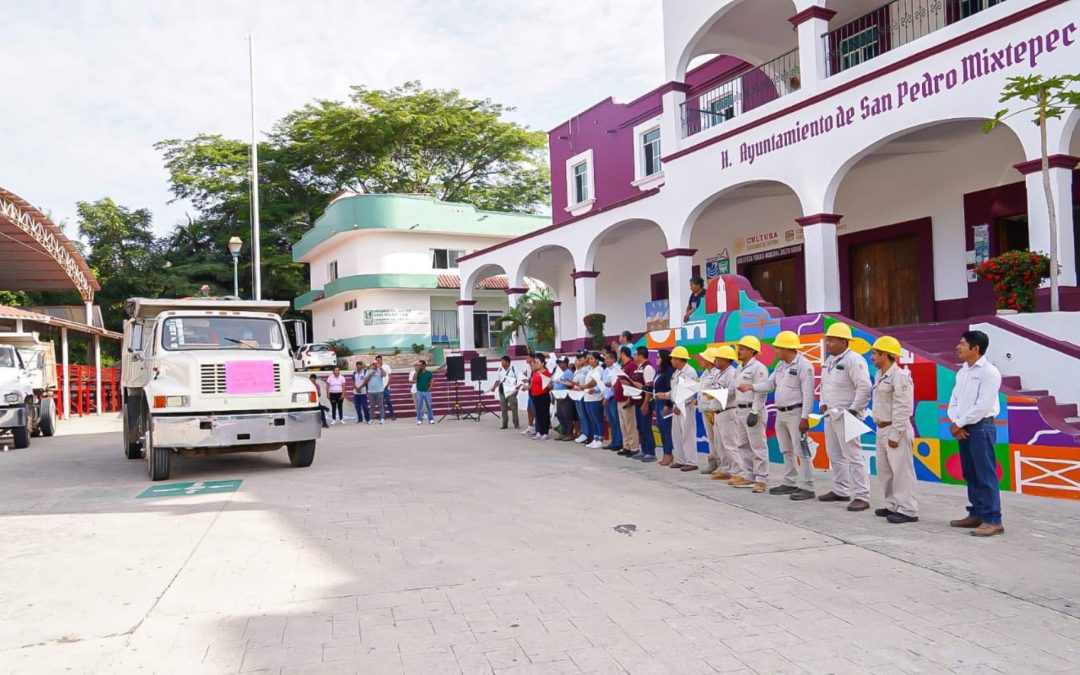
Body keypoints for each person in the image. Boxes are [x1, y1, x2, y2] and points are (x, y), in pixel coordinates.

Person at [739, 330, 816, 501]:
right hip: (782, 414)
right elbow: (770, 384)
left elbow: (808, 394)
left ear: (787, 349)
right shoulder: (781, 366)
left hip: (796, 413)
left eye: (778, 348)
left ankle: (807, 486)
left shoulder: (804, 365)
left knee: (801, 451)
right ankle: (790, 481)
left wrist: (805, 417)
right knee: (786, 449)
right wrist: (751, 387)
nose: (775, 351)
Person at [947, 330, 1004, 537]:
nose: (958, 347)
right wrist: (956, 422)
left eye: (962, 344)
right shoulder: (962, 371)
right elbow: (954, 400)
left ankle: (993, 519)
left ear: (975, 348)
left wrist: (959, 423)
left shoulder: (990, 372)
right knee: (970, 472)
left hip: (981, 427)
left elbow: (983, 406)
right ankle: (977, 513)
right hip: (964, 427)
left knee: (985, 473)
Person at [818, 322, 873, 510]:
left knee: (854, 455)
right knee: (834, 454)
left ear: (843, 341)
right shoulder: (829, 361)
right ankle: (840, 490)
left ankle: (862, 495)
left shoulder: (855, 360)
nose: (827, 344)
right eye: (827, 340)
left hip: (847, 414)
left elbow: (864, 387)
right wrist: (822, 403)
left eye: (831, 340)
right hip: (830, 414)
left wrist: (853, 409)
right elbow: (825, 385)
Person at [869, 336, 918, 524]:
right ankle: (892, 504)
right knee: (885, 470)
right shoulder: (879, 374)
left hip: (895, 428)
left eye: (875, 353)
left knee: (902, 470)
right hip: (881, 427)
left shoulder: (900, 376)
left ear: (886, 355)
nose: (872, 356)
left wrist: (896, 433)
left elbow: (904, 407)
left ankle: (908, 509)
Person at [729, 336, 769, 492]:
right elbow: (734, 388)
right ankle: (749, 475)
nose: (740, 351)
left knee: (758, 446)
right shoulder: (739, 368)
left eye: (744, 348)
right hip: (739, 409)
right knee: (742, 444)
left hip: (752, 410)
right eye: (739, 348)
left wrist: (755, 410)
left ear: (753, 351)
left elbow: (761, 391)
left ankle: (761, 479)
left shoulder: (759, 368)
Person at [709, 346, 742, 481]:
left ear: (725, 359)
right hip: (718, 412)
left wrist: (715, 394)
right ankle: (726, 468)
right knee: (720, 443)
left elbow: (733, 392)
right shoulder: (718, 373)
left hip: (728, 411)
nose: (715, 360)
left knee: (731, 443)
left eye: (718, 358)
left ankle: (739, 471)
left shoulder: (732, 373)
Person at [668, 346, 701, 473]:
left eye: (673, 358)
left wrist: (681, 404)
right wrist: (666, 395)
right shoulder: (676, 373)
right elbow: (675, 390)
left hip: (686, 407)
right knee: (676, 434)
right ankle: (681, 459)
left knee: (688, 434)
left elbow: (691, 392)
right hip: (676, 406)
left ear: (678, 360)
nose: (671, 361)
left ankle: (691, 461)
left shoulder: (690, 372)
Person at [613, 347, 644, 459]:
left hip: (627, 398)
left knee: (630, 424)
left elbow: (634, 382)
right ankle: (626, 446)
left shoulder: (631, 365)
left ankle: (634, 447)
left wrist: (631, 398)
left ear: (622, 353)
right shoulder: (623, 366)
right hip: (619, 398)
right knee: (623, 424)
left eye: (619, 354)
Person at [696, 348, 722, 474]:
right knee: (711, 437)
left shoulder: (717, 373)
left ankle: (723, 464)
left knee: (718, 438)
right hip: (705, 409)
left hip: (713, 409)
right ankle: (713, 461)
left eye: (704, 358)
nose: (701, 360)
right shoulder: (705, 373)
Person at [633, 346, 658, 462]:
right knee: (640, 427)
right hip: (637, 401)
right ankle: (644, 450)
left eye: (635, 354)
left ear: (640, 355)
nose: (634, 357)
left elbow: (649, 387)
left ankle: (651, 452)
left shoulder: (648, 368)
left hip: (644, 401)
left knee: (646, 427)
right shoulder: (639, 367)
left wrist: (645, 403)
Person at [651, 349, 676, 464]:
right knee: (661, 428)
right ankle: (666, 453)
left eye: (658, 357)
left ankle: (668, 453)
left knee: (666, 429)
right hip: (657, 402)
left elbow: (670, 390)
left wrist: (667, 404)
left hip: (665, 402)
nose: (656, 359)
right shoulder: (659, 372)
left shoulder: (669, 372)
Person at [582, 352, 606, 449]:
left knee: (597, 419)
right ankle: (595, 438)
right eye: (589, 359)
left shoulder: (599, 369)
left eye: (591, 359)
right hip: (588, 397)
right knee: (592, 419)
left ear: (596, 360)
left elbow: (594, 382)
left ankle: (601, 439)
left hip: (595, 398)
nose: (589, 360)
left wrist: (585, 386)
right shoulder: (590, 369)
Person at [489, 356, 521, 430]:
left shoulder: (514, 369)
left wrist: (517, 389)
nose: (501, 363)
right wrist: (494, 387)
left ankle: (516, 424)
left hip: (511, 391)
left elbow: (519, 379)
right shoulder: (500, 369)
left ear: (507, 362)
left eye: (503, 361)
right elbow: (498, 380)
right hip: (502, 390)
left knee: (514, 408)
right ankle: (504, 424)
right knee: (503, 408)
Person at [601, 350, 623, 452]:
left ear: (613, 359)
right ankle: (613, 441)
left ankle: (619, 442)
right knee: (611, 421)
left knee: (616, 420)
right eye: (605, 358)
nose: (606, 360)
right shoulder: (605, 370)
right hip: (606, 397)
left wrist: (607, 397)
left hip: (613, 398)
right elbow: (604, 385)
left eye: (608, 358)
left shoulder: (616, 369)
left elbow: (613, 386)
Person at [529, 353, 553, 440]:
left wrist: (547, 385)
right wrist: (525, 387)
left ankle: (545, 432)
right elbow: (532, 385)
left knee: (544, 414)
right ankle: (538, 431)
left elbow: (550, 386)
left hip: (543, 395)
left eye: (537, 362)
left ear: (542, 363)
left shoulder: (546, 373)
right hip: (535, 395)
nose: (534, 364)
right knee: (538, 414)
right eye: (534, 362)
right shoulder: (534, 373)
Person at [553, 356, 576, 441]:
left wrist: (562, 382)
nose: (559, 364)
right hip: (559, 396)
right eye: (558, 363)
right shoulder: (560, 372)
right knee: (560, 415)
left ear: (565, 363)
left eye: (561, 362)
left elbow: (571, 384)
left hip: (565, 397)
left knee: (567, 416)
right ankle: (564, 432)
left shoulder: (568, 373)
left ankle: (569, 433)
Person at [571, 351, 592, 444]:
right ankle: (583, 432)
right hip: (578, 394)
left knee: (584, 415)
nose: (579, 360)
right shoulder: (581, 369)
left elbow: (586, 383)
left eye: (581, 358)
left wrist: (580, 388)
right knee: (581, 415)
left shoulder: (588, 369)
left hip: (583, 394)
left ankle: (587, 434)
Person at [364, 356, 388, 424]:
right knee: (372, 406)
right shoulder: (368, 371)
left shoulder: (380, 370)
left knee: (381, 406)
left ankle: (382, 418)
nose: (374, 365)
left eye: (375, 364)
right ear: (371, 365)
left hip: (379, 391)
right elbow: (365, 381)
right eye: (373, 364)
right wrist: (371, 373)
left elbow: (384, 375)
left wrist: (380, 367)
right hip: (371, 391)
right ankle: (371, 419)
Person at [413, 360, 435, 425]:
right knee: (419, 406)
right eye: (419, 365)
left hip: (427, 391)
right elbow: (414, 379)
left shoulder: (429, 373)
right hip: (419, 391)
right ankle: (419, 419)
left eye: (420, 365)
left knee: (429, 405)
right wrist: (417, 371)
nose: (419, 366)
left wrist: (430, 388)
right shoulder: (418, 372)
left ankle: (431, 419)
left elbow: (432, 381)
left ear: (424, 365)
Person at [378, 356, 396, 420]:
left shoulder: (386, 366)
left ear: (381, 360)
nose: (378, 361)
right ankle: (383, 416)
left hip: (385, 388)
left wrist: (387, 385)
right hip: (379, 388)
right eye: (377, 360)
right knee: (381, 403)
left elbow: (390, 376)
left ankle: (392, 415)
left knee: (388, 402)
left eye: (379, 360)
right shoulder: (376, 368)